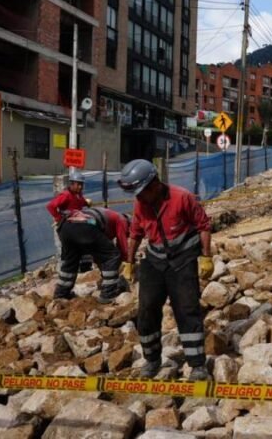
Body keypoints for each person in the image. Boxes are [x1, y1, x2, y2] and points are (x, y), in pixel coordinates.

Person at [119, 159, 214, 381]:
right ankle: (152, 359)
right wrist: (129, 262)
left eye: (141, 193)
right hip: (155, 259)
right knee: (147, 309)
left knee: (187, 309)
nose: (139, 198)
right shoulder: (140, 205)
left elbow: (203, 226)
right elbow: (135, 234)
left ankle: (197, 365)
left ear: (154, 184)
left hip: (183, 258)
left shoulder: (182, 198)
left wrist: (207, 257)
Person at [54, 207, 129, 303]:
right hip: (84, 227)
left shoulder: (108, 216)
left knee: (70, 261)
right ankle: (108, 294)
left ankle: (61, 294)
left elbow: (99, 251)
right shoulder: (122, 219)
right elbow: (122, 245)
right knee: (113, 255)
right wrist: (127, 262)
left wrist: (104, 269)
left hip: (66, 228)